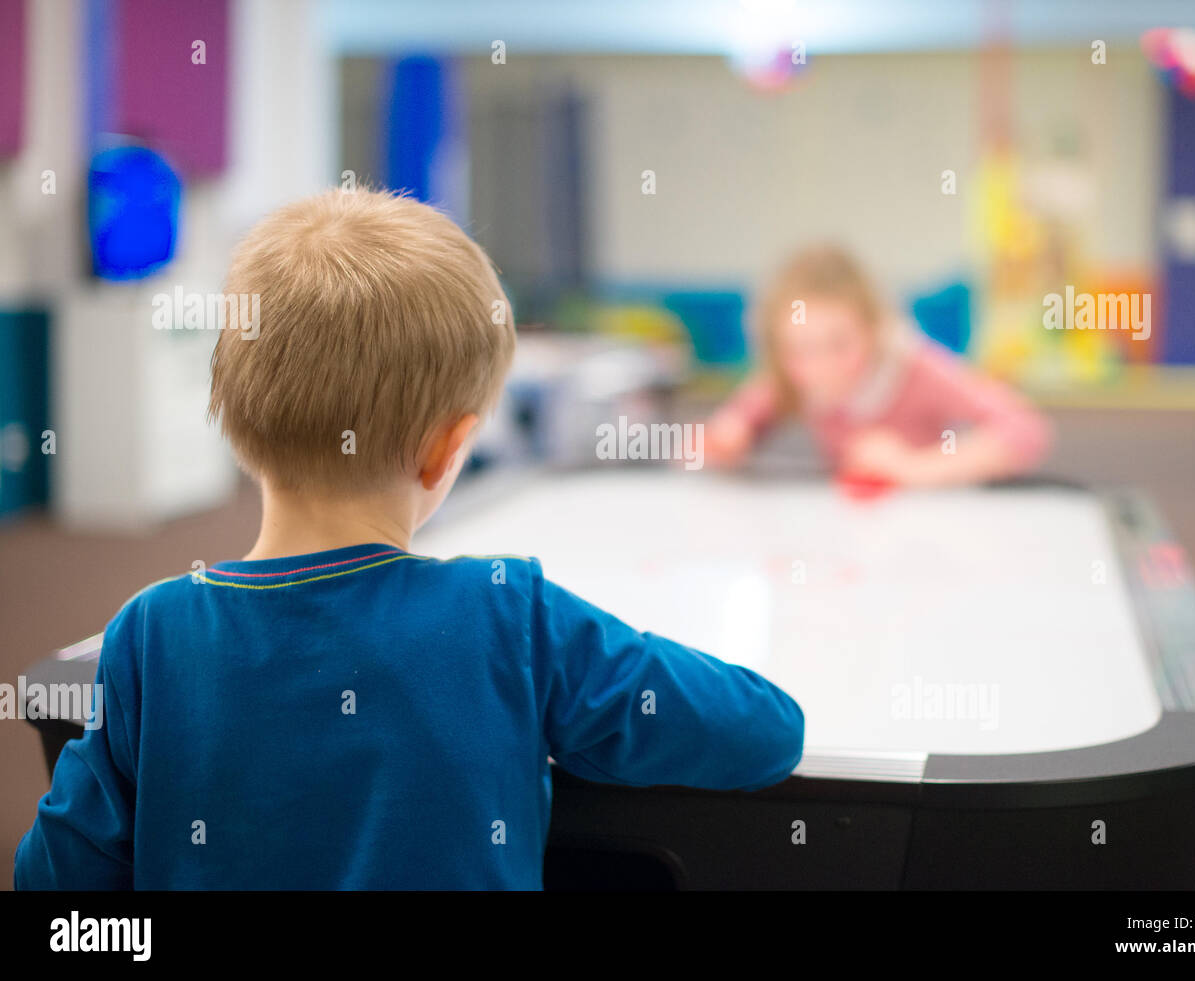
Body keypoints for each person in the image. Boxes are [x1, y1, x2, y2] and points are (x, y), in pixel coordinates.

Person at [14, 189, 804, 890]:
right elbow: (763, 730)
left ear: (233, 417)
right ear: (446, 448)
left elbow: (52, 878)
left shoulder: (152, 633)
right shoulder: (509, 614)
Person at [705, 245, 1052, 486]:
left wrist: (913, 469)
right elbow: (732, 426)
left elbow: (1026, 431)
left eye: (838, 344)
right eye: (799, 349)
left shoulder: (916, 368)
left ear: (873, 330)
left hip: (932, 539)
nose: (821, 367)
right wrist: (727, 438)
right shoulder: (792, 374)